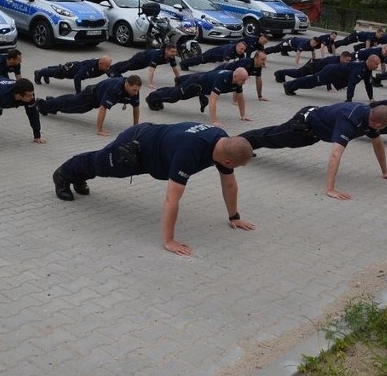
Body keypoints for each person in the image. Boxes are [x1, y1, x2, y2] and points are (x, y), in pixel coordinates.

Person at [51, 122, 255, 256]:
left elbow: (228, 182)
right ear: (228, 160)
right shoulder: (190, 152)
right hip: (135, 146)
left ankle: (77, 177)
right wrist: (169, 241)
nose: (233, 170)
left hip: (151, 145)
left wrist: (234, 216)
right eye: (235, 166)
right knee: (99, 163)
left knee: (99, 166)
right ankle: (62, 174)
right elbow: (171, 199)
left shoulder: (222, 140)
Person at [240, 102, 387, 199]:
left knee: (271, 138)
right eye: (384, 127)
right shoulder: (350, 120)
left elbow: (378, 144)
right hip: (303, 125)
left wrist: (385, 171)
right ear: (378, 124)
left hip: (313, 134)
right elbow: (335, 155)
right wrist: (330, 189)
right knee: (271, 137)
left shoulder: (370, 119)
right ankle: (237, 144)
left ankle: (244, 146)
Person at [37, 75, 141, 136]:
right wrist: (99, 130)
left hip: (95, 97)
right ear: (127, 84)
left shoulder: (135, 90)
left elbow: (136, 107)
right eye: (134, 90)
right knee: (69, 105)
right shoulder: (115, 89)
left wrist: (135, 127)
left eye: (137, 90)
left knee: (70, 102)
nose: (136, 93)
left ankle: (52, 102)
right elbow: (103, 108)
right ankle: (43, 105)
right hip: (89, 96)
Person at [146, 68, 250, 126]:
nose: (244, 83)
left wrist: (243, 115)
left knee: (175, 93)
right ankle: (151, 98)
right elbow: (213, 100)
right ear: (235, 76)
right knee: (174, 97)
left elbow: (240, 98)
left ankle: (159, 94)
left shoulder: (237, 82)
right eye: (243, 80)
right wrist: (214, 121)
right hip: (195, 82)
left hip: (201, 83)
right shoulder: (223, 79)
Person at [283, 55, 380, 102]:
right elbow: (352, 83)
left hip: (335, 76)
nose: (378, 66)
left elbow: (368, 83)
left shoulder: (368, 70)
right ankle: (289, 85)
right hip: (329, 72)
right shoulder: (359, 69)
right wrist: (349, 100)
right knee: (311, 82)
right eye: (376, 64)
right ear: (370, 62)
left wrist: (371, 98)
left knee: (311, 82)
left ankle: (291, 86)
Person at [107, 44, 179, 88]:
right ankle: (110, 70)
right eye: (172, 51)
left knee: (129, 67)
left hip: (146, 62)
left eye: (175, 52)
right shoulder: (157, 55)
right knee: (128, 65)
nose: (174, 53)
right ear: (166, 50)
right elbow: (151, 70)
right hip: (141, 57)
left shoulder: (171, 57)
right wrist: (150, 84)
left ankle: (113, 70)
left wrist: (179, 81)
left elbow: (175, 69)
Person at [33, 56, 112, 93]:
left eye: (109, 66)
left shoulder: (103, 66)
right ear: (100, 64)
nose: (108, 68)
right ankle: (39, 73)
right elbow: (77, 77)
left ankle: (45, 73)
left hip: (77, 67)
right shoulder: (90, 66)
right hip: (72, 70)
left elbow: (112, 73)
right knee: (58, 73)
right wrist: (78, 92)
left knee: (58, 69)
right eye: (107, 66)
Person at [273, 51, 353, 82]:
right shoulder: (333, 61)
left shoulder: (338, 60)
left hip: (315, 65)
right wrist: (329, 88)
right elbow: (328, 73)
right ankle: (280, 73)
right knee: (298, 74)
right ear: (342, 57)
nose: (348, 62)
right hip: (312, 66)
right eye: (347, 60)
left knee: (299, 74)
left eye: (349, 60)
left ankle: (281, 73)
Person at [179, 41, 247, 71]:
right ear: (237, 46)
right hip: (212, 54)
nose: (242, 51)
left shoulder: (240, 52)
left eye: (244, 50)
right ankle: (183, 64)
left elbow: (243, 63)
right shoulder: (229, 49)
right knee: (199, 60)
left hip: (216, 58)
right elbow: (225, 64)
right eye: (241, 49)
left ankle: (184, 64)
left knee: (199, 61)